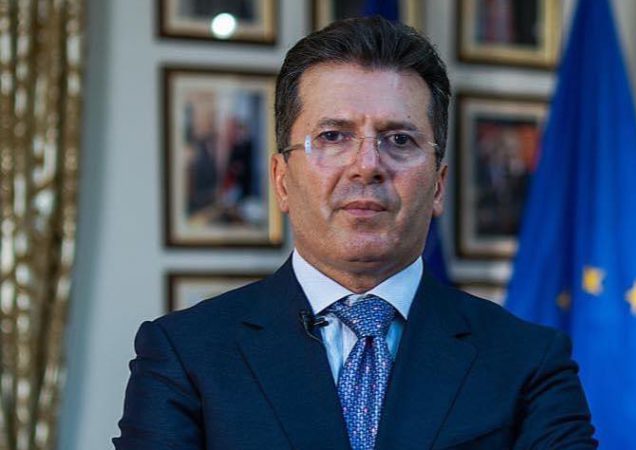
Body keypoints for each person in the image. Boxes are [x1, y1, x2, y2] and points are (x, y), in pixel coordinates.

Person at [114, 16, 596, 450]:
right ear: (281, 181)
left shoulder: (529, 362)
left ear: (438, 186)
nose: (367, 165)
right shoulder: (184, 355)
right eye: (333, 136)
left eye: (399, 139)